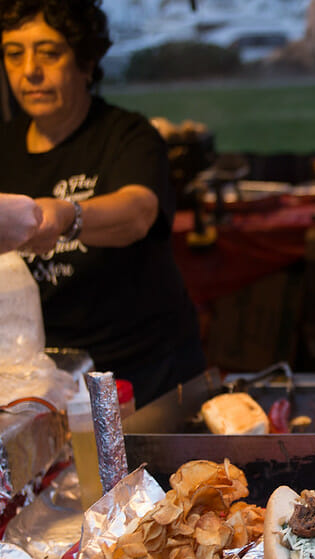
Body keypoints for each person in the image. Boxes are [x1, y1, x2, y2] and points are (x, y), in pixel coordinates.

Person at [0, 0, 205, 406]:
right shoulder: (4, 146)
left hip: (142, 374)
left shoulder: (128, 135)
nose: (30, 71)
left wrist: (67, 215)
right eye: (13, 54)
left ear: (86, 62)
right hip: (41, 381)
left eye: (49, 53)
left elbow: (137, 213)